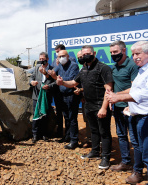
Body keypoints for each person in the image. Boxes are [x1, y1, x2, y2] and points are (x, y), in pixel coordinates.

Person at [56, 45, 113, 169]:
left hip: (100, 105)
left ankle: (106, 158)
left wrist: (104, 108)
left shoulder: (103, 68)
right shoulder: (83, 69)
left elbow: (109, 90)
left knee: (104, 132)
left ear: (94, 53)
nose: (85, 56)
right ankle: (95, 151)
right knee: (94, 130)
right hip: (88, 105)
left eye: (88, 54)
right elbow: (73, 83)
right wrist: (62, 82)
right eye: (83, 54)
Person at [106, 40, 148, 184]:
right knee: (128, 139)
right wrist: (117, 100)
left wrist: (117, 97)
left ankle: (139, 170)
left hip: (140, 113)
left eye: (138, 53)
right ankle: (131, 166)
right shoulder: (138, 69)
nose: (135, 56)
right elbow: (134, 90)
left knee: (141, 145)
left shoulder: (137, 67)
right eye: (133, 54)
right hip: (127, 110)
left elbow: (140, 93)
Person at [109, 41, 140, 173]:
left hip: (131, 108)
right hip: (117, 108)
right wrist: (111, 99)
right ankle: (126, 162)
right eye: (111, 52)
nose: (113, 54)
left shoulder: (133, 65)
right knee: (121, 135)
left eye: (115, 52)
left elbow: (135, 88)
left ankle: (139, 167)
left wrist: (117, 95)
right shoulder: (114, 67)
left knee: (135, 138)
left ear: (123, 51)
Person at [49, 50, 80, 149]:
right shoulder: (60, 66)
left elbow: (72, 80)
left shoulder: (74, 65)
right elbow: (54, 73)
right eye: (59, 56)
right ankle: (67, 137)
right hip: (62, 95)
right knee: (66, 117)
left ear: (67, 56)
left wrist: (61, 80)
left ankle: (74, 140)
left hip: (72, 95)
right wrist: (53, 74)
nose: (61, 58)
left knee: (72, 118)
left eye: (63, 56)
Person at [30, 52, 56, 143]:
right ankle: (35, 134)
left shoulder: (52, 69)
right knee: (36, 115)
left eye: (43, 59)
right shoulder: (37, 68)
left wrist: (49, 86)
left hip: (46, 95)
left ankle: (45, 134)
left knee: (45, 115)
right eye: (40, 59)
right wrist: (32, 82)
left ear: (47, 59)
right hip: (36, 95)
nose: (41, 61)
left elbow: (55, 82)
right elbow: (31, 77)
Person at [74, 50, 91, 148]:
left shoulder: (94, 68)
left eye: (82, 56)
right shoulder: (81, 69)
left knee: (96, 121)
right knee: (87, 120)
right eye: (79, 57)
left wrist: (81, 89)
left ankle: (101, 142)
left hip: (95, 99)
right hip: (85, 99)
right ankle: (89, 139)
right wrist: (81, 94)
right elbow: (78, 83)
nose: (80, 59)